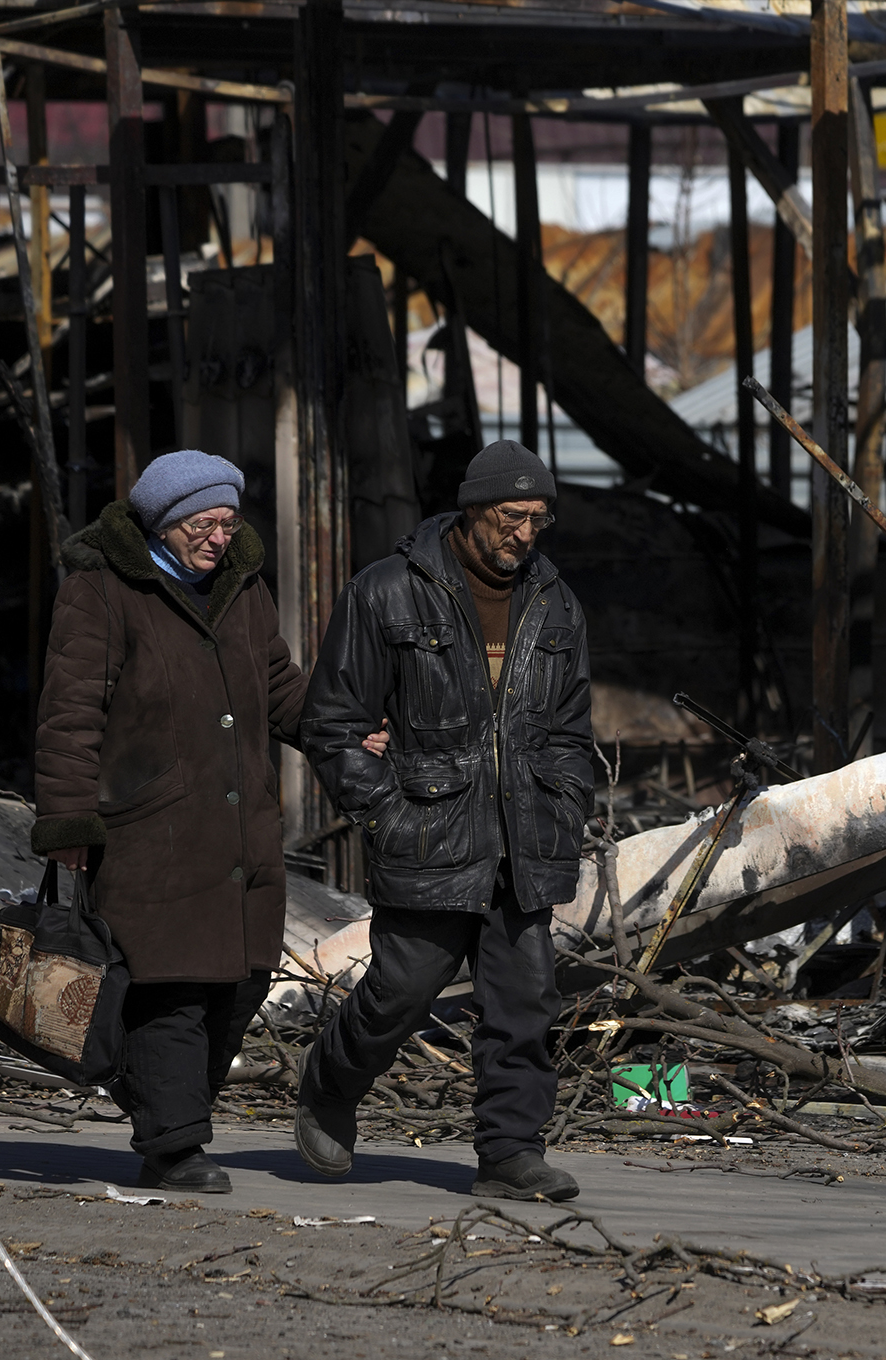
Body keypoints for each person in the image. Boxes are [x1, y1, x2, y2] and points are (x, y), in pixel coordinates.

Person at [31, 450, 386, 1193]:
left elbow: (279, 684)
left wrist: (344, 730)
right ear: (164, 521)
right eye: (203, 524)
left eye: (227, 523)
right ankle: (174, 1146)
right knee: (173, 988)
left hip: (241, 831)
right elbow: (70, 714)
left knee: (242, 982)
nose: (219, 538)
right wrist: (68, 823)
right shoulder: (101, 591)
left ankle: (158, 1103)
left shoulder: (242, 588)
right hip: (149, 830)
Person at [297, 439, 595, 1201]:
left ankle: (511, 1153)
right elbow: (333, 724)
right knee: (402, 992)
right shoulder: (386, 592)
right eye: (512, 516)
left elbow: (569, 730)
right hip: (429, 835)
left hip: (525, 843)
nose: (525, 533)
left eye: (539, 518)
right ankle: (330, 1086)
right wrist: (388, 813)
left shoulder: (555, 601)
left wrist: (564, 805)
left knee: (525, 1004)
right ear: (472, 510)